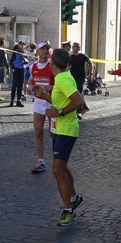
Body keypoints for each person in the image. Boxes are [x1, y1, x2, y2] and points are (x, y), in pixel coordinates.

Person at [36, 49, 85, 226]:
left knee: (57, 170)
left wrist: (60, 112)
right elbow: (60, 102)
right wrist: (44, 95)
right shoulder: (63, 77)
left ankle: (68, 210)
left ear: (52, 64)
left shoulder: (63, 79)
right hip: (62, 129)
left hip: (66, 129)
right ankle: (74, 198)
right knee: (62, 168)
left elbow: (78, 101)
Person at [29, 42, 55, 174]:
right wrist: (29, 88)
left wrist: (52, 87)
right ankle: (41, 161)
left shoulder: (53, 66)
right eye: (42, 49)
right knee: (38, 131)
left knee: (53, 133)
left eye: (47, 49)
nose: (45, 51)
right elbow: (31, 81)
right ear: (37, 52)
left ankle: (58, 159)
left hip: (51, 102)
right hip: (39, 102)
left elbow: (59, 84)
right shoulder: (32, 67)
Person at [69, 42, 93, 118]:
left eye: (74, 47)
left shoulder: (83, 56)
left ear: (78, 48)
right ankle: (85, 107)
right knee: (76, 93)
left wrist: (90, 73)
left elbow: (90, 63)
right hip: (73, 77)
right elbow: (68, 66)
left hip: (81, 77)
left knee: (78, 92)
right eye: (72, 47)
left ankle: (79, 111)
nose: (73, 48)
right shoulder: (71, 57)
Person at [9, 43, 26, 107]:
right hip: (16, 69)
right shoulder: (15, 52)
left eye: (23, 46)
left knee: (20, 86)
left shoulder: (24, 53)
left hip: (22, 69)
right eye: (22, 45)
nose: (23, 47)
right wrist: (13, 68)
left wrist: (25, 60)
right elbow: (11, 61)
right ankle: (12, 100)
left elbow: (25, 60)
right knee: (14, 86)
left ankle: (19, 100)